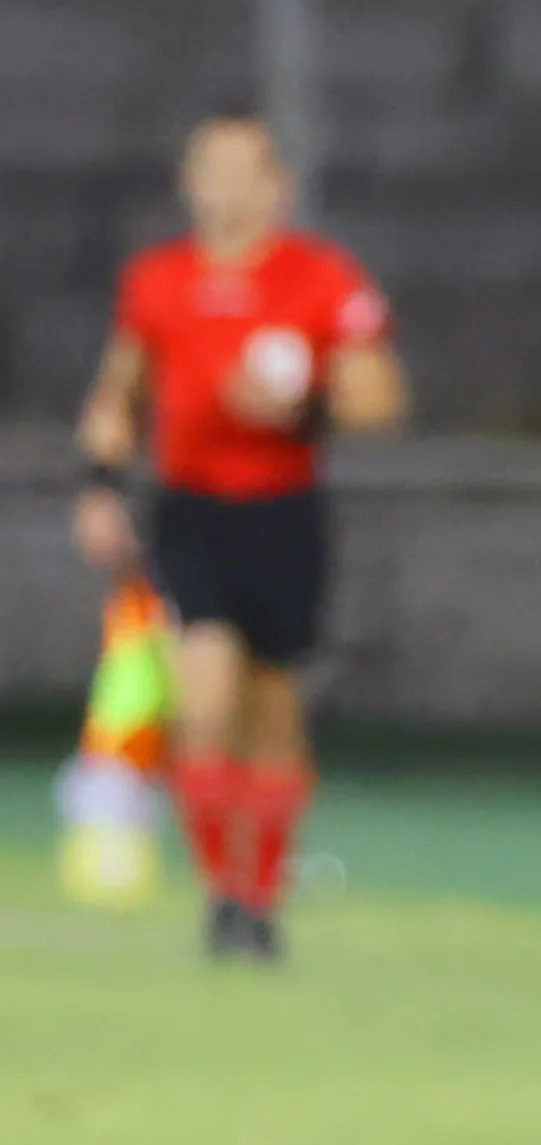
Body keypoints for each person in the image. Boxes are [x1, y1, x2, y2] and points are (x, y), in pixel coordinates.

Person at [70, 116, 408, 961]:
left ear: (277, 186)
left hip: (284, 514)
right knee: (205, 696)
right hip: (191, 513)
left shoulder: (321, 279)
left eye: (242, 170)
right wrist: (100, 486)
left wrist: (302, 408)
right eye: (209, 169)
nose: (224, 187)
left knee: (273, 716)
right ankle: (223, 893)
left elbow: (379, 400)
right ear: (188, 183)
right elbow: (118, 394)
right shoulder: (157, 280)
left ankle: (260, 899)